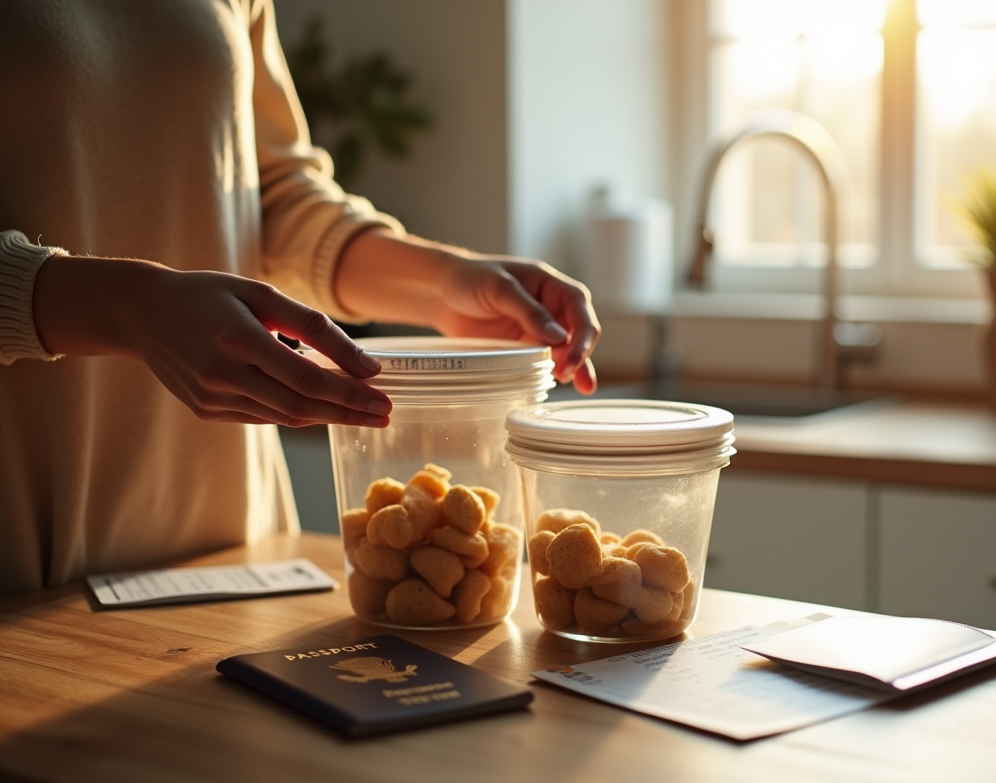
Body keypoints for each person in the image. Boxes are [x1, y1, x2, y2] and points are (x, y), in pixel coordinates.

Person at [0, 0, 601, 595]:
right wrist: (128, 309)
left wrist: (442, 281)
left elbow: (269, 194)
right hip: (27, 546)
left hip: (234, 541)